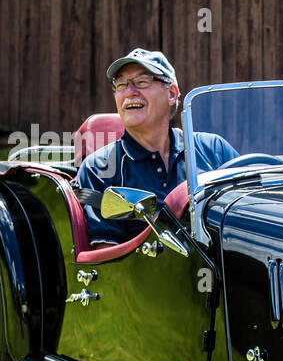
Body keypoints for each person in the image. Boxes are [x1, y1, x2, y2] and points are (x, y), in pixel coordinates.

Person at [74, 48, 237, 244]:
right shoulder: (100, 168)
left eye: (142, 82)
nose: (129, 92)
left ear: (171, 93)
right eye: (121, 84)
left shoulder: (214, 149)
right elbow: (107, 261)